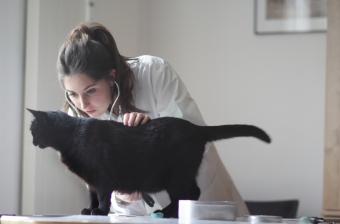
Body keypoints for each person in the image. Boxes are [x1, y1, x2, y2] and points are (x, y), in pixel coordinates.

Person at [56, 22, 249, 217]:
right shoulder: (76, 117)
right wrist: (122, 192)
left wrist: (145, 138)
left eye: (91, 91)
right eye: (72, 94)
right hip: (133, 214)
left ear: (111, 76)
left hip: (199, 205)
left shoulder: (153, 73)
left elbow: (190, 139)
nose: (82, 104)